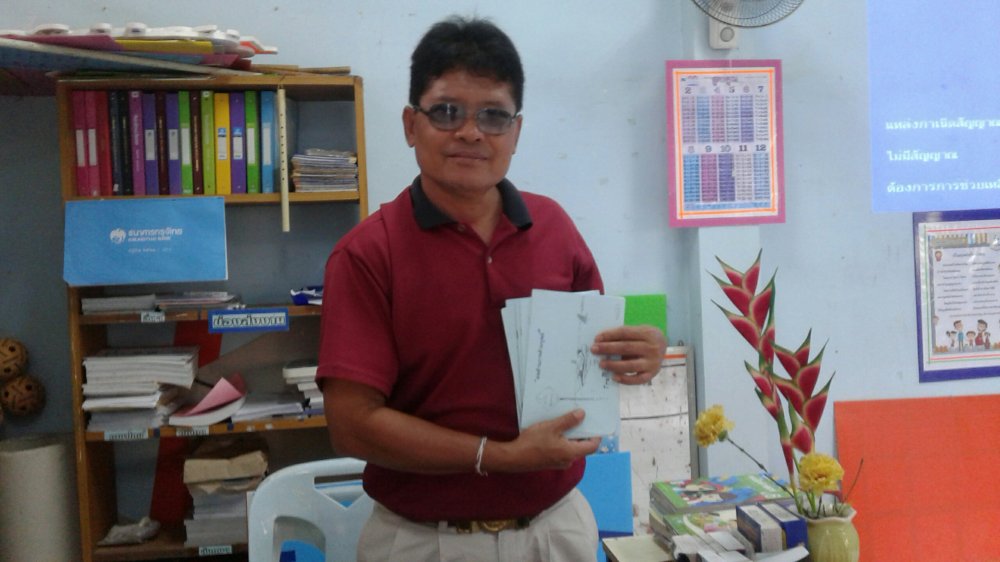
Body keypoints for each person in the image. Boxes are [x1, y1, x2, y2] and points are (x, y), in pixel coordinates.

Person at [317, 15, 666, 562]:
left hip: (556, 531)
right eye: (446, 112)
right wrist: (498, 457)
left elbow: (591, 364)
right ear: (410, 125)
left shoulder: (554, 228)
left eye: (493, 116)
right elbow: (352, 427)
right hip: (422, 542)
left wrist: (640, 354)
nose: (471, 133)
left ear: (516, 132)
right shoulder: (367, 253)